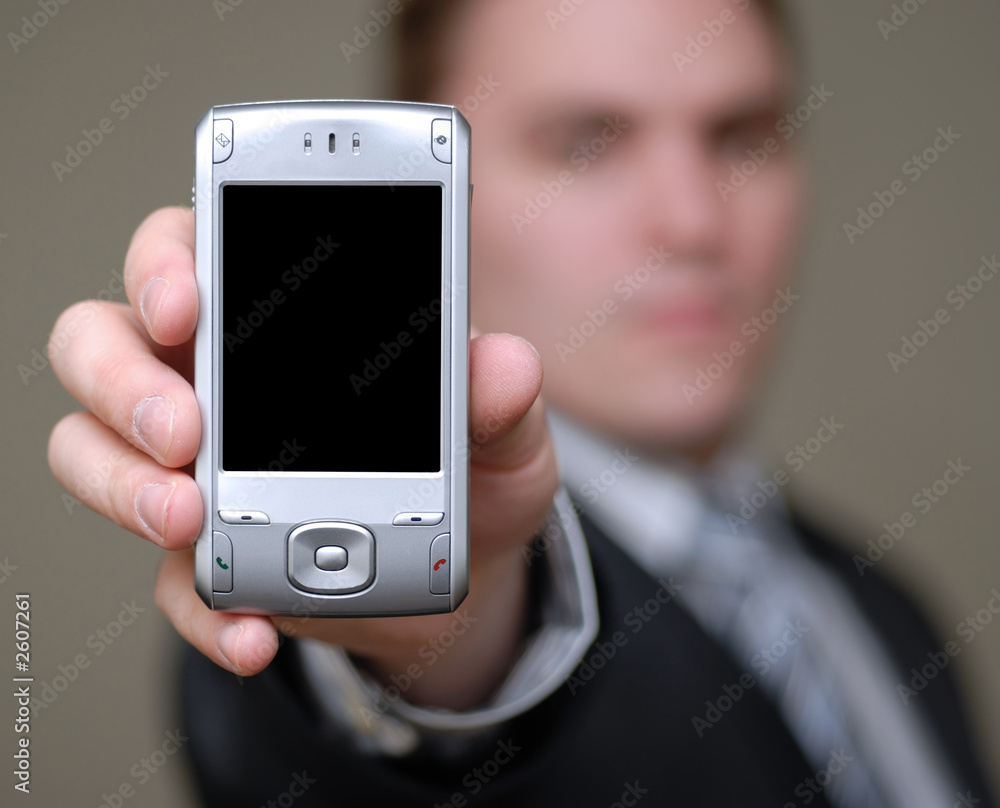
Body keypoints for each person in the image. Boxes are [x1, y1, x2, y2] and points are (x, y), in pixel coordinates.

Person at [47, 0, 994, 805]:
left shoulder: (887, 607)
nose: (695, 220)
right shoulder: (425, 609)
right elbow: (345, 725)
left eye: (741, 135)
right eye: (586, 143)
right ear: (428, 200)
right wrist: (439, 640)